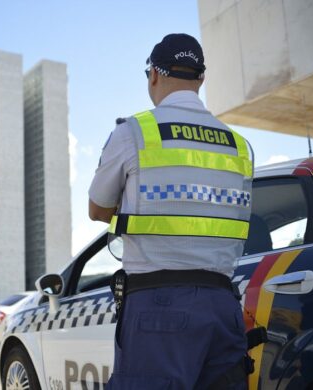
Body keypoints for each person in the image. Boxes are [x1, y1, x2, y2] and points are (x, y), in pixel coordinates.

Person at [88, 33, 254, 389]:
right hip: (223, 306)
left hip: (158, 307)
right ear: (201, 80)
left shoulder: (134, 132)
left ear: (153, 75)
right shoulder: (239, 146)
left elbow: (97, 208)